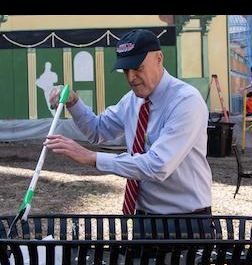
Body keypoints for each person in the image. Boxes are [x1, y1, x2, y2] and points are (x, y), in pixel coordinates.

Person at [44, 29, 212, 216]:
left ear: (159, 58)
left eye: (138, 68)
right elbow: (98, 130)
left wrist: (92, 158)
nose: (131, 77)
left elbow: (157, 166)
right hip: (142, 216)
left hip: (186, 221)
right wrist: (74, 102)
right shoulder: (132, 101)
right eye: (126, 70)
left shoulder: (186, 102)